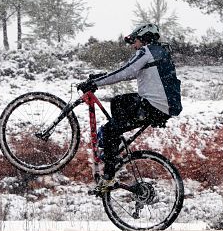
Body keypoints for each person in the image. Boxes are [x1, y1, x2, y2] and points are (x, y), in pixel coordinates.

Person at [76, 23, 182, 190]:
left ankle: (109, 175)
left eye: (135, 41)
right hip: (161, 106)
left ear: (145, 38)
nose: (133, 46)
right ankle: (113, 149)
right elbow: (128, 72)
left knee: (112, 128)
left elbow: (124, 72)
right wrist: (101, 77)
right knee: (119, 102)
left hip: (154, 106)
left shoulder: (147, 51)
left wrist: (94, 83)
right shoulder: (157, 52)